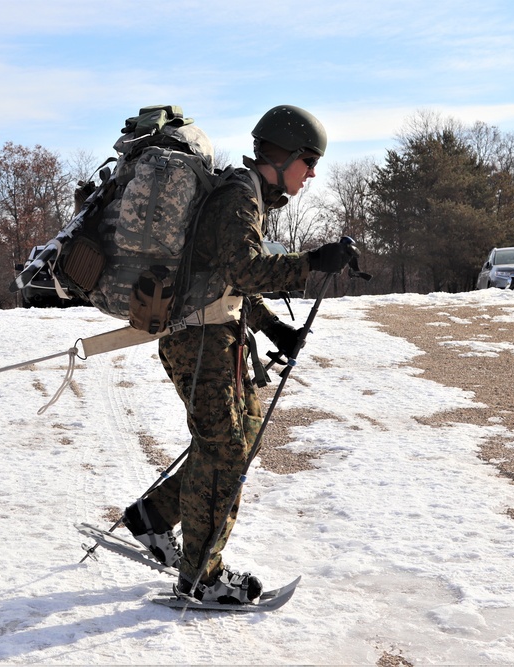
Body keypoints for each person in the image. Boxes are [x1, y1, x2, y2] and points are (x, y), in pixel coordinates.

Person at [121, 105, 357, 604]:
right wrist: (313, 261)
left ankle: (154, 517)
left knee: (238, 437)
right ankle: (201, 576)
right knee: (224, 451)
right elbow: (248, 270)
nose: (311, 173)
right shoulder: (236, 197)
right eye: (309, 161)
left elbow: (227, 280)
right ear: (285, 155)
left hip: (217, 339)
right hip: (199, 343)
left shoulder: (246, 195)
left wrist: (276, 331)